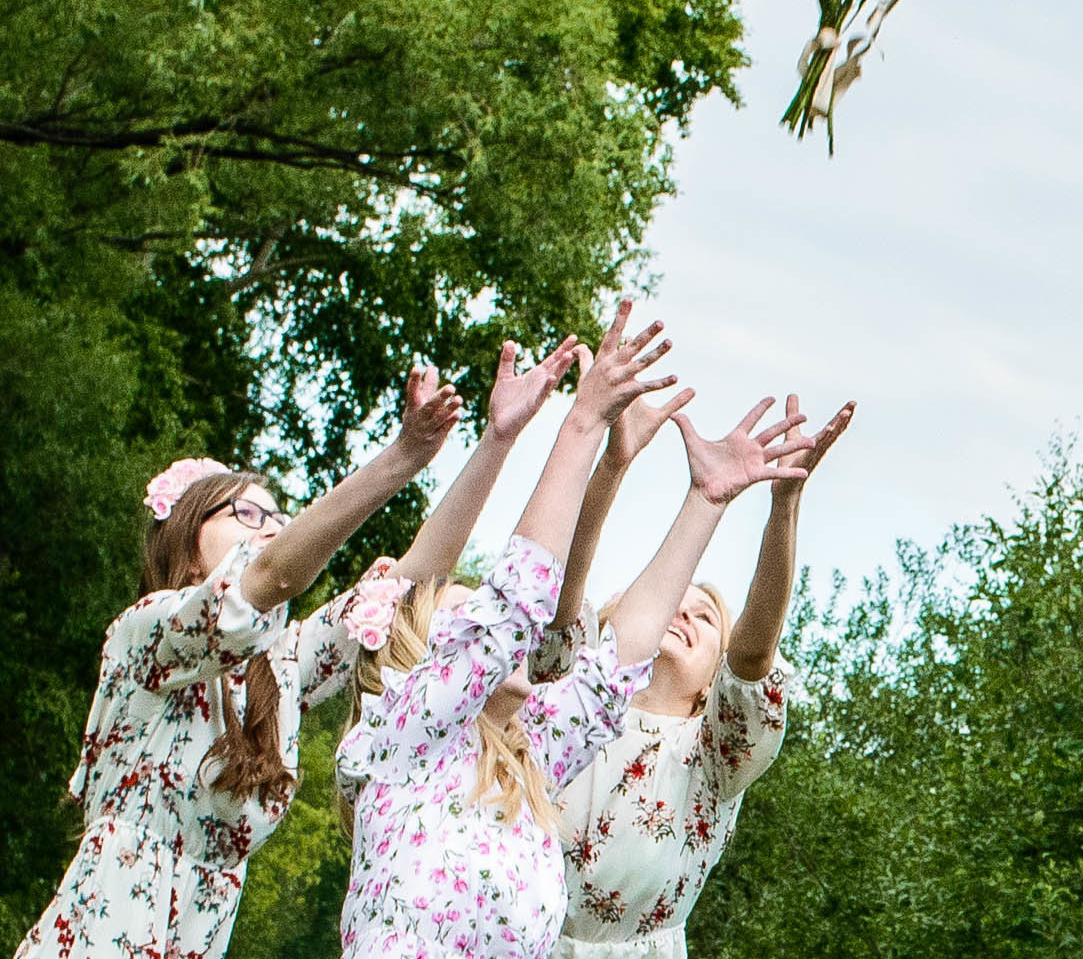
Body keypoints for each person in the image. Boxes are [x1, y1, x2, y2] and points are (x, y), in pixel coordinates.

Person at [13, 340, 578, 959]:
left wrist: (497, 440)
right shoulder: (144, 634)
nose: (273, 527)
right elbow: (274, 576)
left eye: (279, 517)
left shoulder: (278, 667)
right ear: (185, 539)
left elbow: (412, 582)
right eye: (247, 513)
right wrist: (402, 456)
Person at [334, 302, 815, 959]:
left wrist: (705, 499)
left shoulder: (527, 761)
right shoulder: (400, 737)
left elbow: (619, 661)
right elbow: (518, 600)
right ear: (418, 656)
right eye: (469, 622)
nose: (500, 635)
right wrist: (584, 422)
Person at [549, 393, 854, 958]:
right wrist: (612, 463)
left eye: (705, 617)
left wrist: (783, 506)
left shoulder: (711, 753)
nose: (683, 614)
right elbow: (560, 589)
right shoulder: (569, 698)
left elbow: (753, 659)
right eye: (674, 601)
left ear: (714, 679)